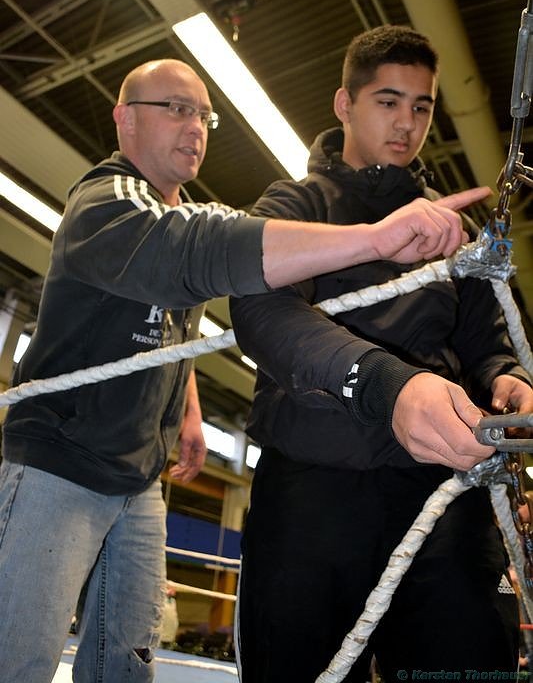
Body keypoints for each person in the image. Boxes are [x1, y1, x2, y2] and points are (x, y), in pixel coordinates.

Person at [0, 57, 489, 683]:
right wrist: (373, 239)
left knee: (125, 658)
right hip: (60, 462)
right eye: (175, 108)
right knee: (21, 655)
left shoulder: (185, 212)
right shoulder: (108, 202)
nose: (195, 127)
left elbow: (169, 328)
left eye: (204, 114)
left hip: (139, 475)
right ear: (123, 118)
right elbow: (196, 250)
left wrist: (191, 414)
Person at [229, 26, 533, 682]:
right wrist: (386, 386)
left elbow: (485, 342)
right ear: (344, 104)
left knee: (463, 662)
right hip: (315, 494)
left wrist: (506, 379)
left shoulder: (451, 230)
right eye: (387, 102)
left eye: (420, 107)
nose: (406, 124)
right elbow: (263, 312)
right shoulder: (295, 206)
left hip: (439, 497)